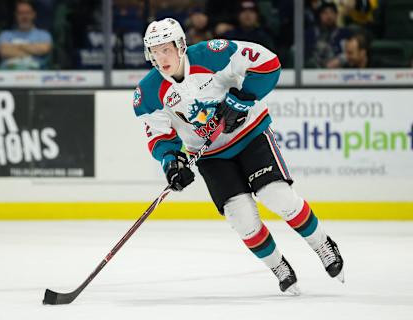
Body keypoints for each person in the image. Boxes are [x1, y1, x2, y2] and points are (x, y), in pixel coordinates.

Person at [133, 18, 345, 294]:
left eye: (166, 49)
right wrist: (172, 161)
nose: (161, 58)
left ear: (181, 45)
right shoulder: (148, 92)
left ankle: (321, 244)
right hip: (210, 155)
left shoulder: (213, 53)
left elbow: (268, 64)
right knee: (241, 217)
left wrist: (243, 98)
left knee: (276, 195)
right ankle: (278, 265)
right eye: (155, 51)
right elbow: (160, 136)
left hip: (250, 136)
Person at [0, 0, 52, 70]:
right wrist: (34, 51)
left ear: (33, 14)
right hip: (7, 75)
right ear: (16, 15)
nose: (24, 16)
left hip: (36, 75)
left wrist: (17, 46)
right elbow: (4, 51)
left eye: (27, 13)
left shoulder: (44, 35)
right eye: (21, 13)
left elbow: (44, 49)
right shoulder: (5, 35)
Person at [305, 2, 351, 68]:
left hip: (339, 72)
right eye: (325, 13)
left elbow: (351, 53)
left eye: (331, 12)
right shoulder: (310, 33)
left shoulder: (345, 33)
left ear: (336, 15)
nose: (329, 16)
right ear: (320, 16)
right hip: (313, 72)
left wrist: (340, 60)